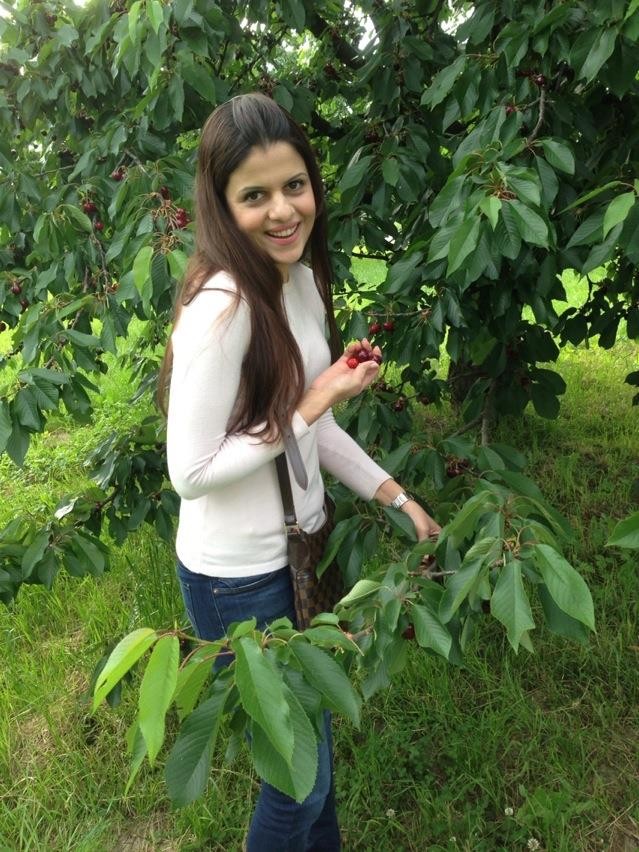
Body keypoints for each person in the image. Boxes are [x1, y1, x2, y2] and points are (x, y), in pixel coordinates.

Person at [159, 92, 441, 852]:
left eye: (295, 185)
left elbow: (309, 426)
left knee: (310, 753)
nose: (283, 211)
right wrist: (312, 401)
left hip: (296, 558)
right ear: (221, 206)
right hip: (235, 581)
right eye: (254, 195)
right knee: (296, 779)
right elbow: (189, 471)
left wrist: (395, 494)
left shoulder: (298, 282)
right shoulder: (222, 311)